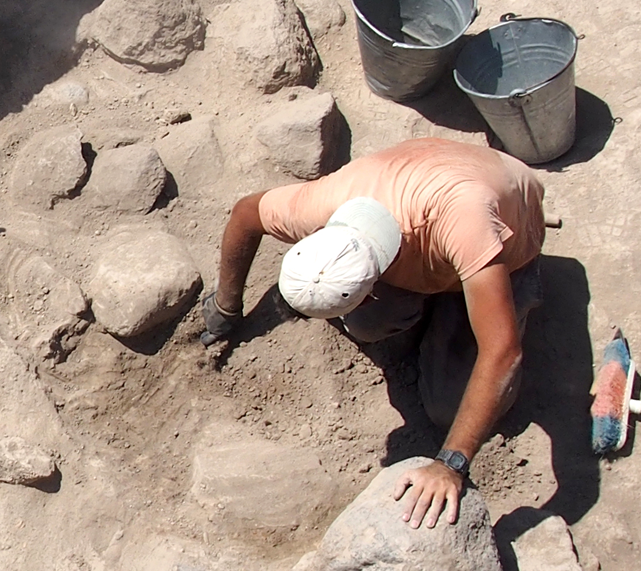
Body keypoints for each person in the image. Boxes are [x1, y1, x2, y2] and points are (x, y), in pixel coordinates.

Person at [205, 137, 547, 529]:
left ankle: (512, 289)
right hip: (428, 216)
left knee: (448, 410)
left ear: (367, 294)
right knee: (372, 326)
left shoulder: (461, 219)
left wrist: (451, 462)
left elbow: (503, 352)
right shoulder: (317, 206)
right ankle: (441, 305)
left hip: (504, 227)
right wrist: (226, 305)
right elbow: (247, 214)